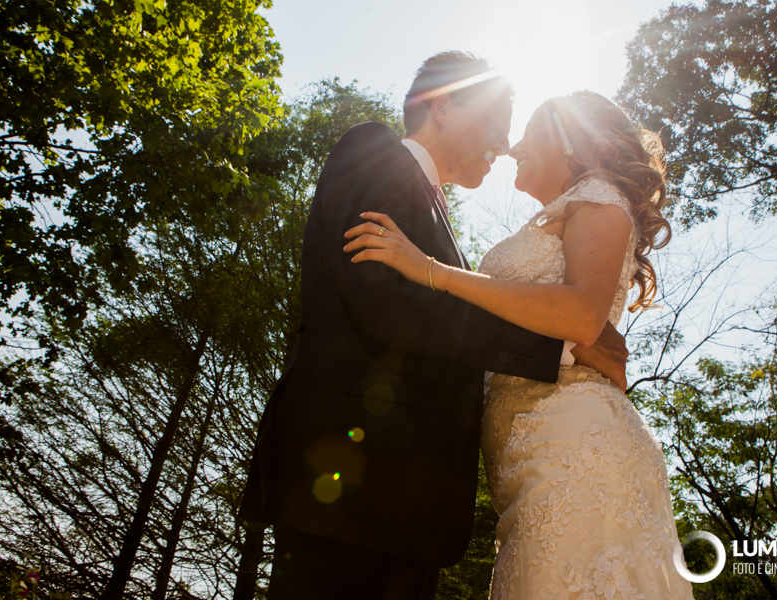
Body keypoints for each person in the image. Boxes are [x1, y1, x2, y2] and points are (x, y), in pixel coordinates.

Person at [239, 52, 629, 600]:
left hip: (410, 508)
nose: (504, 143)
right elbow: (385, 301)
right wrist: (560, 350)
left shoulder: (440, 223)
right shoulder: (375, 151)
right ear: (443, 107)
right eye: (496, 121)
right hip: (345, 485)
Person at [345, 91, 696, 598]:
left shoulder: (599, 195)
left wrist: (434, 272)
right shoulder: (565, 211)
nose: (513, 147)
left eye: (531, 131)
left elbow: (581, 315)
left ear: (572, 140)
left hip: (574, 446)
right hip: (528, 458)